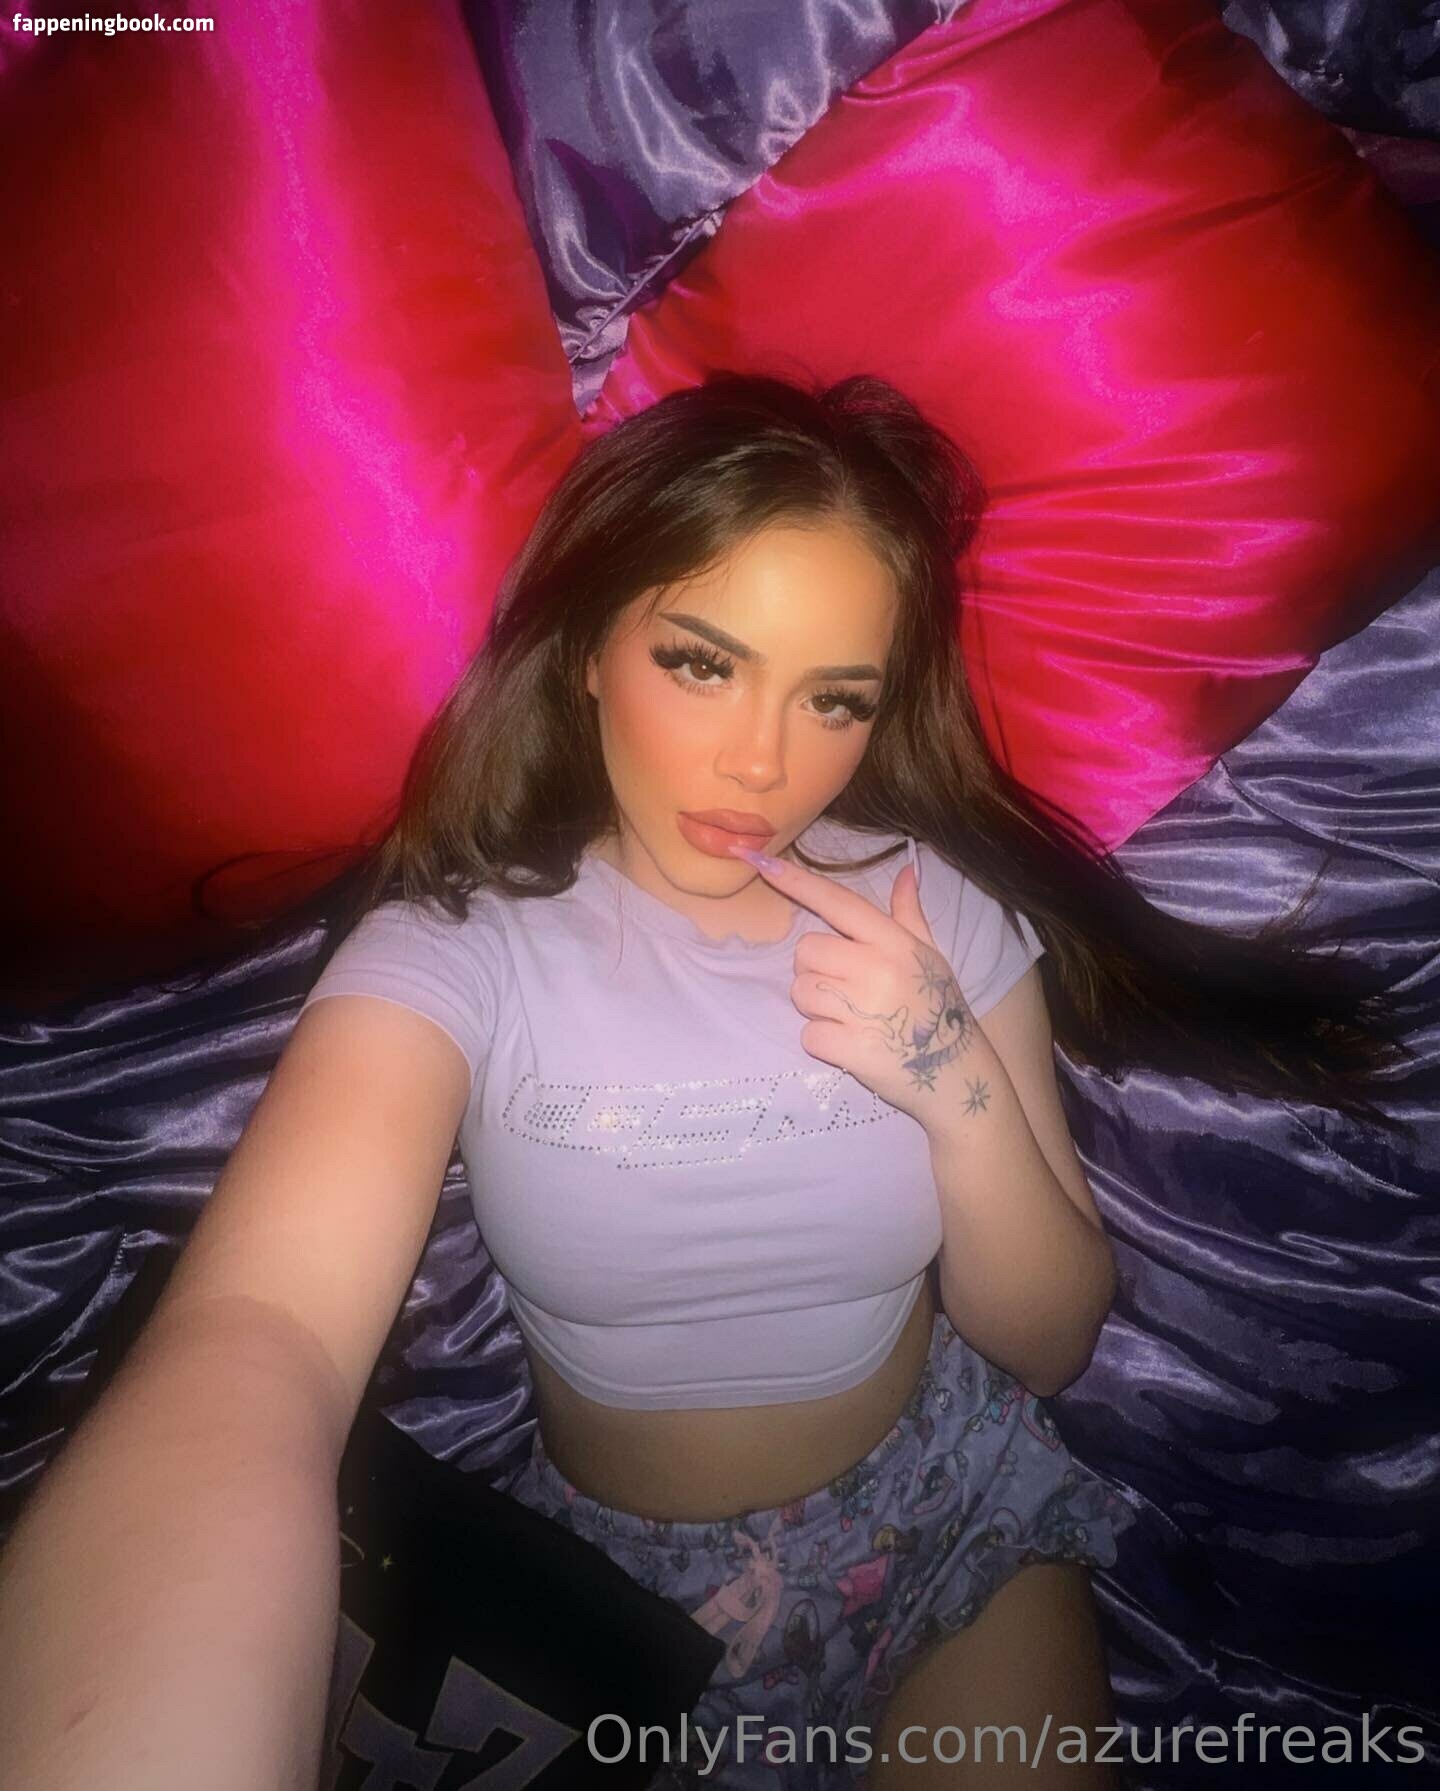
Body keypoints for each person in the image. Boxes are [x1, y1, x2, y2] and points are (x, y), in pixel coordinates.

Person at [0, 374, 1411, 1791]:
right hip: (614, 1607)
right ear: (586, 649)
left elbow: (1050, 1345)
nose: (762, 761)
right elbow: (262, 1331)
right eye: (701, 663)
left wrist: (952, 1081)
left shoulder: (930, 909)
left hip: (948, 1525)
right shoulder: (457, 952)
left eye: (835, 700)